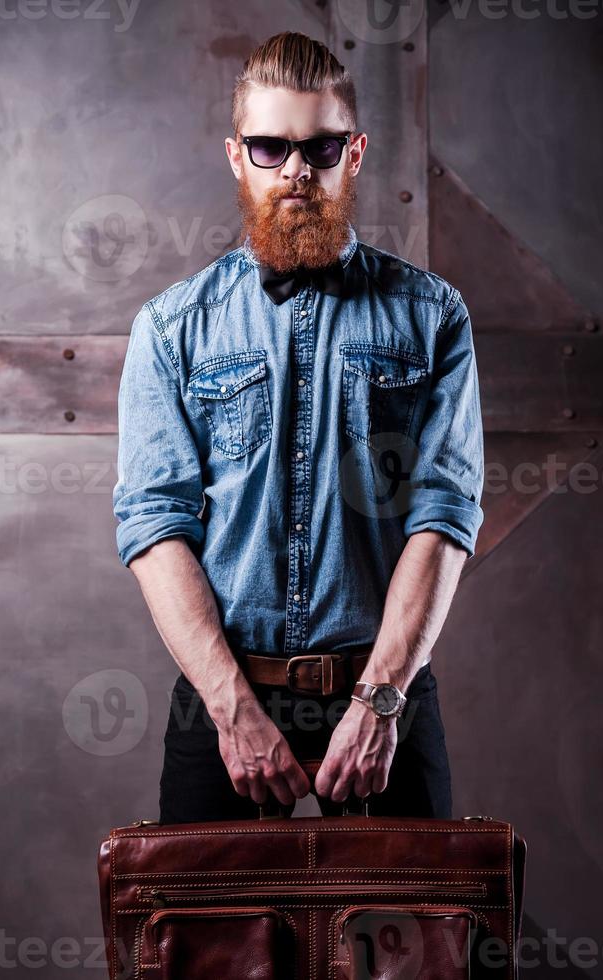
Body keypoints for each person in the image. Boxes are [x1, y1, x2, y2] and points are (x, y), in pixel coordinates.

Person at [112, 31, 484, 824]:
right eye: (270, 147)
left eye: (317, 147)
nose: (296, 172)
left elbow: (444, 515)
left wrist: (382, 700)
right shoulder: (172, 330)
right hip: (225, 698)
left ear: (353, 153)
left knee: (419, 947)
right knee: (205, 947)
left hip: (386, 690)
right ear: (236, 157)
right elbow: (153, 523)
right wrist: (231, 708)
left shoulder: (434, 317)